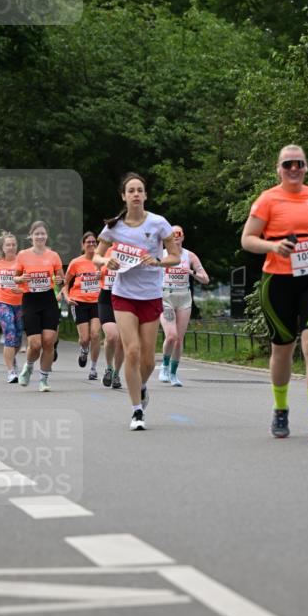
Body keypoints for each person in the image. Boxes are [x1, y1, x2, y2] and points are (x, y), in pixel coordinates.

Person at [241, 144, 308, 438]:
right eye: (288, 165)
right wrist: (273, 246)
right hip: (278, 280)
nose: (294, 169)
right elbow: (247, 239)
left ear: (306, 167)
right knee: (282, 350)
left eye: (299, 163)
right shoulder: (267, 200)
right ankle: (281, 408)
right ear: (279, 169)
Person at [93, 173, 180, 429]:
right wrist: (106, 261)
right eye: (131, 190)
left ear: (145, 195)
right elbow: (96, 257)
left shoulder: (158, 223)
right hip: (123, 295)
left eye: (139, 190)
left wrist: (159, 261)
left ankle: (141, 386)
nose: (135, 194)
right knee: (131, 351)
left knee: (148, 360)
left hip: (151, 295)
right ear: (123, 195)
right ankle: (137, 411)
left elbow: (174, 256)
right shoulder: (114, 227)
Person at [14, 220, 65, 392]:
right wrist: (21, 279)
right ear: (31, 236)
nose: (40, 236)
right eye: (37, 233)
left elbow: (62, 278)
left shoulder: (53, 255)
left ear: (47, 236)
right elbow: (15, 277)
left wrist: (60, 280)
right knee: (35, 344)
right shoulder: (22, 255)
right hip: (30, 300)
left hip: (48, 300)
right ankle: (28, 367)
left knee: (49, 341)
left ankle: (44, 379)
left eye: (43, 233)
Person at [159, 225, 210, 386]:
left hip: (184, 298)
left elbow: (205, 279)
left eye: (178, 233)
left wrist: (191, 272)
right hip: (165, 297)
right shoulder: (161, 254)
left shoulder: (190, 256)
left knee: (179, 339)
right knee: (171, 335)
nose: (175, 236)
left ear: (183, 236)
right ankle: (164, 366)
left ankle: (173, 374)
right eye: (172, 234)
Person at [62, 232, 102, 380]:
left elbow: (111, 279)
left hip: (97, 301)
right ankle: (84, 350)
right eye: (88, 242)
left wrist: (101, 276)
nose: (91, 245)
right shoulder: (76, 262)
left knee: (96, 335)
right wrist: (67, 297)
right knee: (85, 338)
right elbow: (65, 284)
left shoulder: (101, 261)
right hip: (79, 301)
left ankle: (93, 368)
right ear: (83, 245)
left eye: (94, 242)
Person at [0, 231, 24, 383]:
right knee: (9, 331)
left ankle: (13, 358)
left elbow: (28, 283)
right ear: (3, 248)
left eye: (13, 244)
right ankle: (10, 371)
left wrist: (21, 289)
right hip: (2, 301)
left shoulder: (22, 263)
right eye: (8, 245)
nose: (11, 247)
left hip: (20, 303)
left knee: (18, 336)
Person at [97, 250, 123, 390]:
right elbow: (95, 265)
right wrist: (97, 273)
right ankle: (109, 368)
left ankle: (117, 373)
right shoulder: (105, 250)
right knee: (112, 336)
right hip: (106, 299)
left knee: (122, 341)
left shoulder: (131, 249)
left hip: (124, 298)